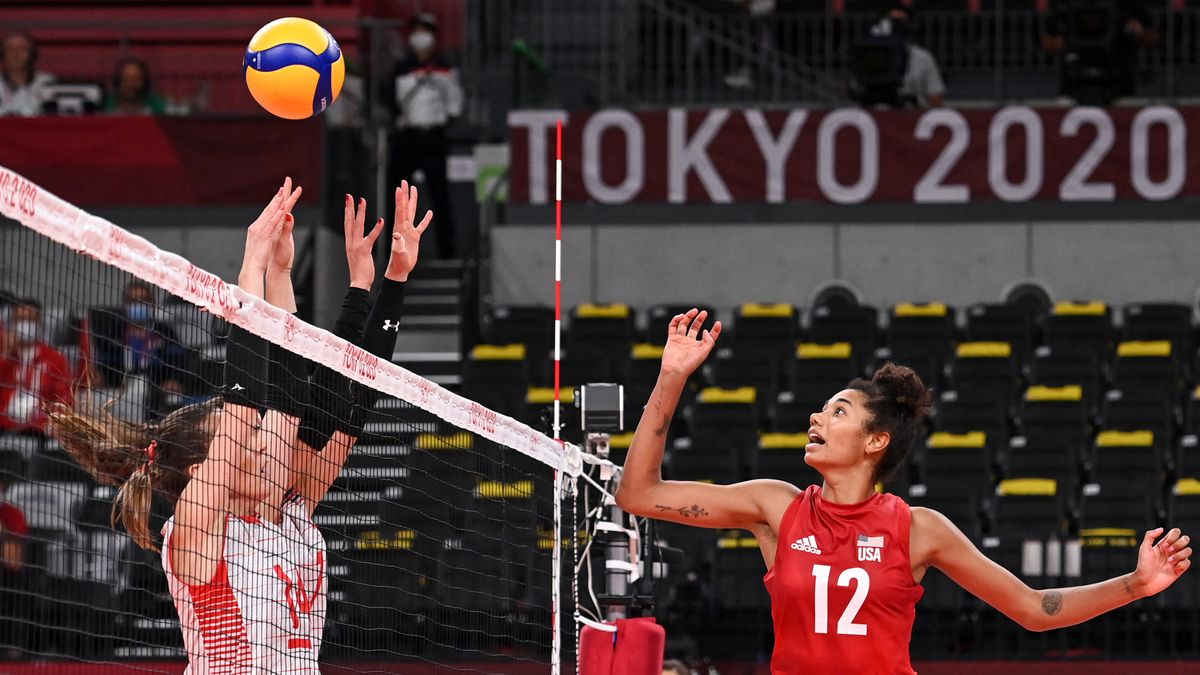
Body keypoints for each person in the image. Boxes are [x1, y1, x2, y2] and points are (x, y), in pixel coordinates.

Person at [615, 308, 1193, 674]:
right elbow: (638, 494)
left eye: (837, 411)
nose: (815, 417)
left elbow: (1033, 611)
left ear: (875, 442)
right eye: (820, 409)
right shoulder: (775, 507)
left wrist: (1136, 585)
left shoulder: (918, 529)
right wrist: (672, 376)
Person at [47, 178, 432, 672]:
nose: (269, 439)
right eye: (248, 439)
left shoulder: (289, 513)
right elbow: (248, 401)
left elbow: (344, 407)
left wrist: (375, 283)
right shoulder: (198, 531)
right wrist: (252, 270)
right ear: (208, 471)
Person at [387, 12, 461, 259]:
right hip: (407, 138)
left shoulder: (445, 68)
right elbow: (391, 102)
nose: (420, 36)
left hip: (433, 138)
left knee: (439, 195)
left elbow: (455, 106)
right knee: (397, 197)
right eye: (416, 30)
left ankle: (447, 250)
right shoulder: (401, 68)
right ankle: (394, 250)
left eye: (425, 31)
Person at [91, 280, 195, 418]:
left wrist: (175, 380)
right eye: (132, 301)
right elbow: (103, 365)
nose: (138, 305)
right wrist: (99, 376)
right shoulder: (113, 332)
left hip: (156, 395)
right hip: (118, 393)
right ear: (124, 304)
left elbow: (179, 364)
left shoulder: (164, 333)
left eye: (143, 301)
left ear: (152, 304)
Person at [1041, 0, 1156, 105]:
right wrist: (1067, 42)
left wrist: (1139, 32)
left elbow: (1151, 37)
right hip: (1073, 83)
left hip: (1119, 82)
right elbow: (1048, 41)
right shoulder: (1065, 4)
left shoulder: (1127, 4)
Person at [0, 299, 74, 434]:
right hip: (4, 425)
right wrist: (5, 355)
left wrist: (52, 423)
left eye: (30, 320)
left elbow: (64, 398)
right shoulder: (4, 357)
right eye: (20, 320)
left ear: (39, 323)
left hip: (38, 428)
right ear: (12, 324)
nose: (24, 325)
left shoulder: (55, 359)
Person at [0, 32, 55, 117]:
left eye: (22, 48)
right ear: (2, 54)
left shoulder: (48, 83)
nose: (16, 53)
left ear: (33, 54)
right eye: (10, 48)